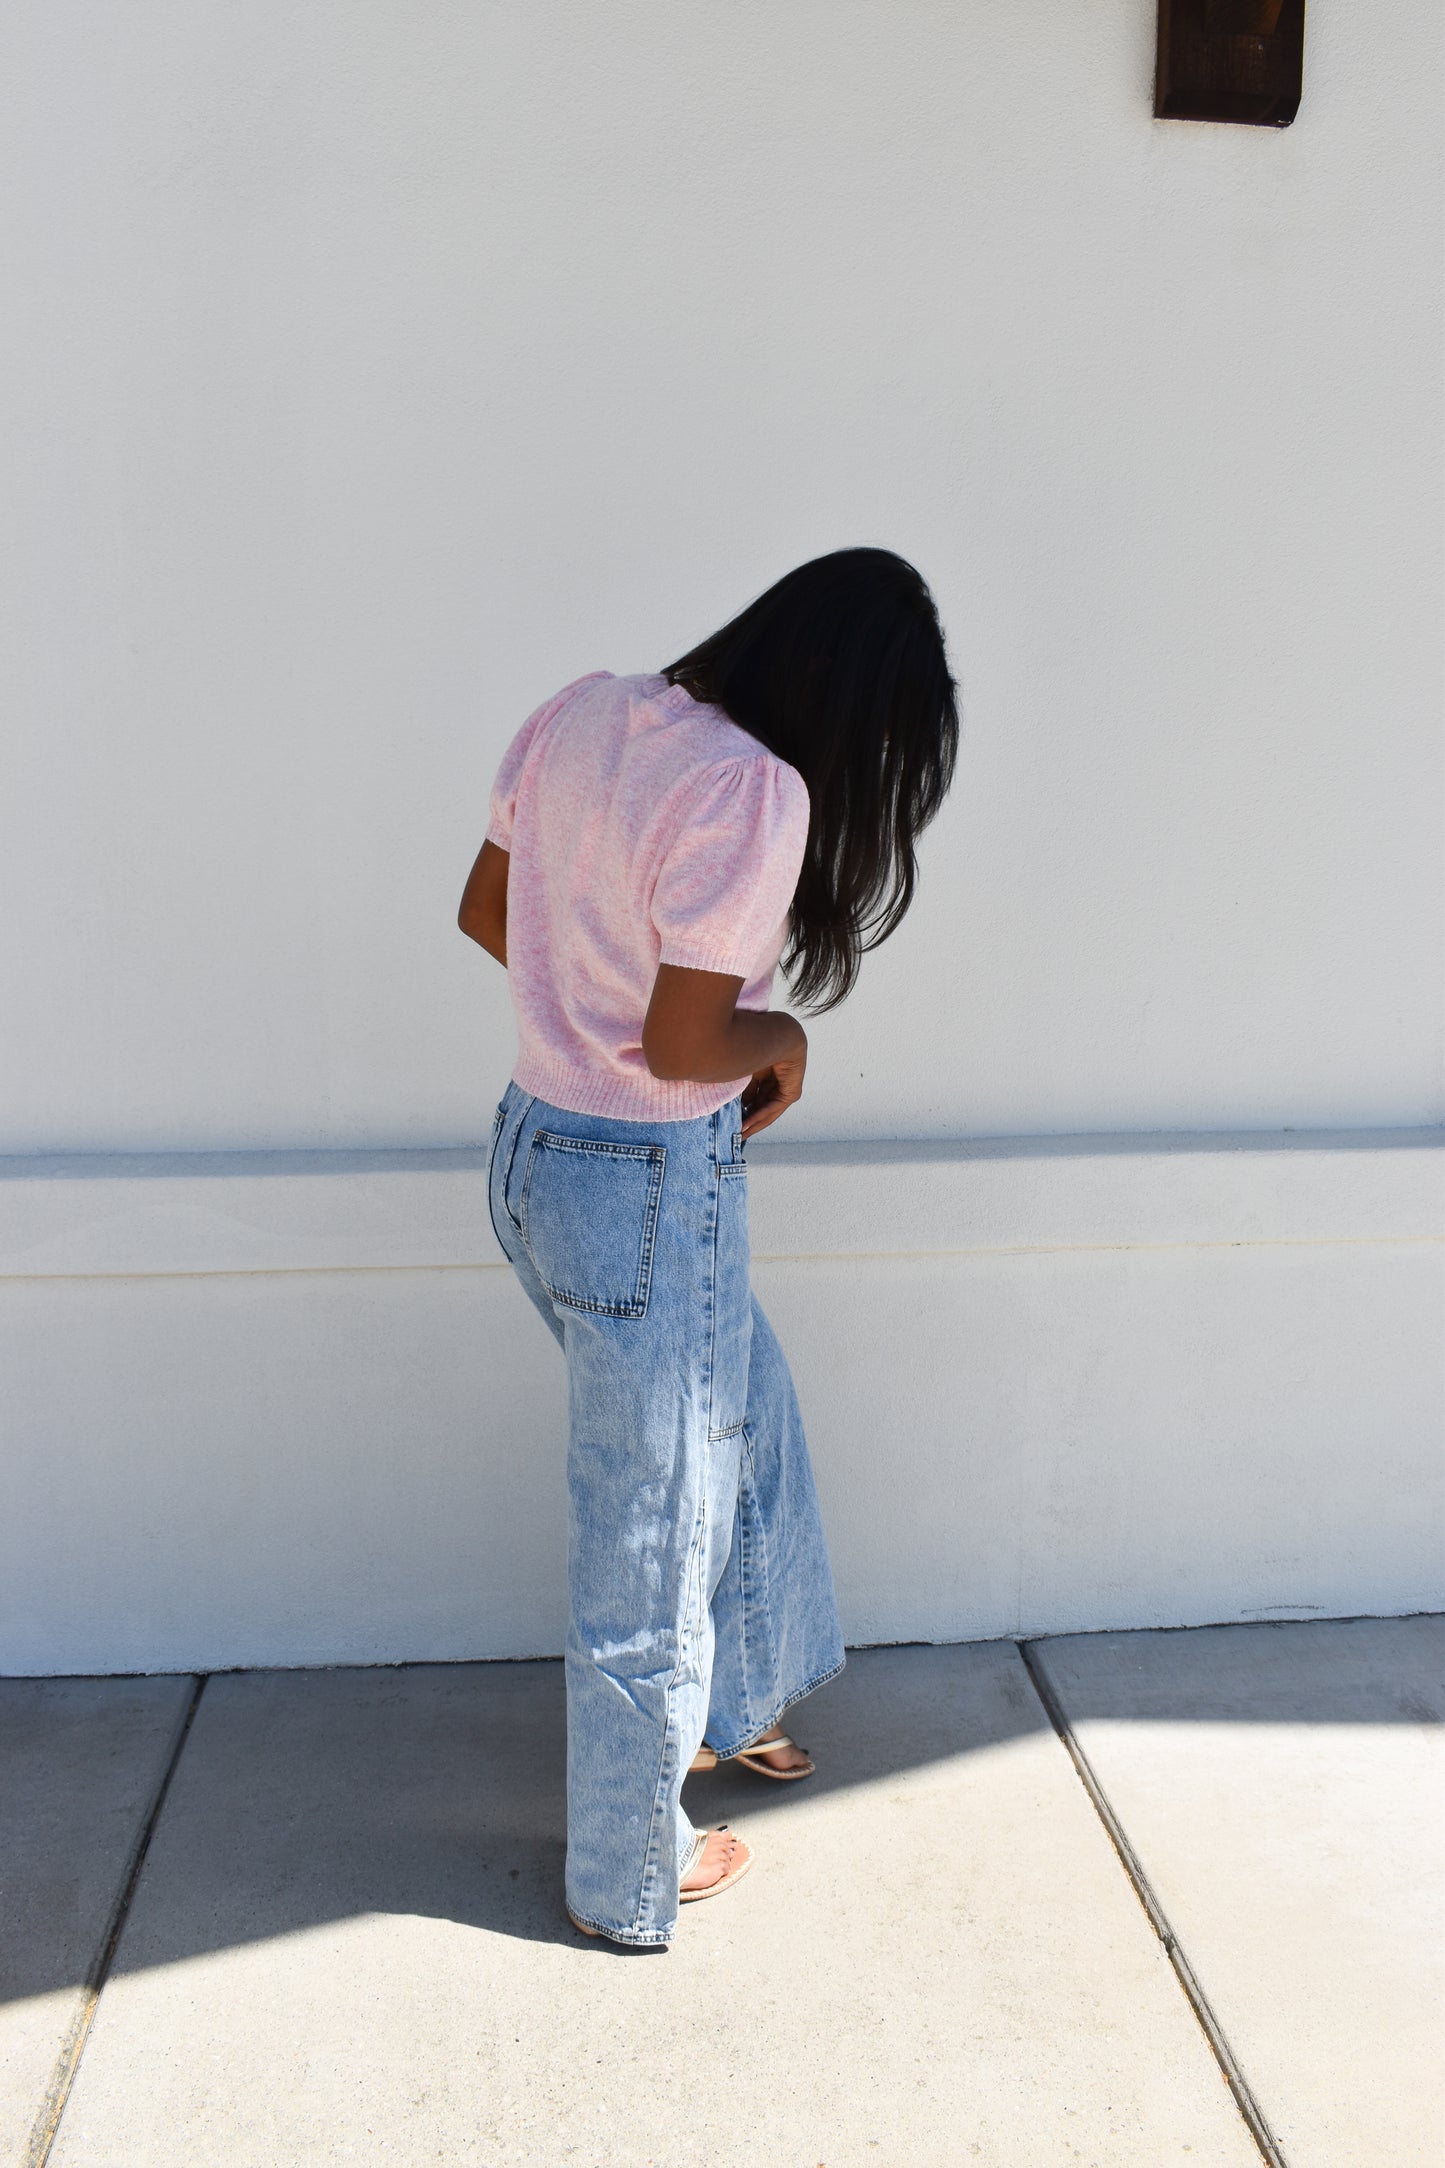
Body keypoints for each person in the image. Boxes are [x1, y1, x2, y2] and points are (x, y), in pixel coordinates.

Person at [458, 547, 959, 1947]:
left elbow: (488, 912)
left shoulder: (583, 712)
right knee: (651, 1527)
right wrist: (785, 1039)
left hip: (529, 1155)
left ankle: (734, 1703)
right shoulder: (754, 787)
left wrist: (588, 1014)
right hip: (639, 1180)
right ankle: (629, 1869)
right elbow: (689, 1042)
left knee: (744, 1405)